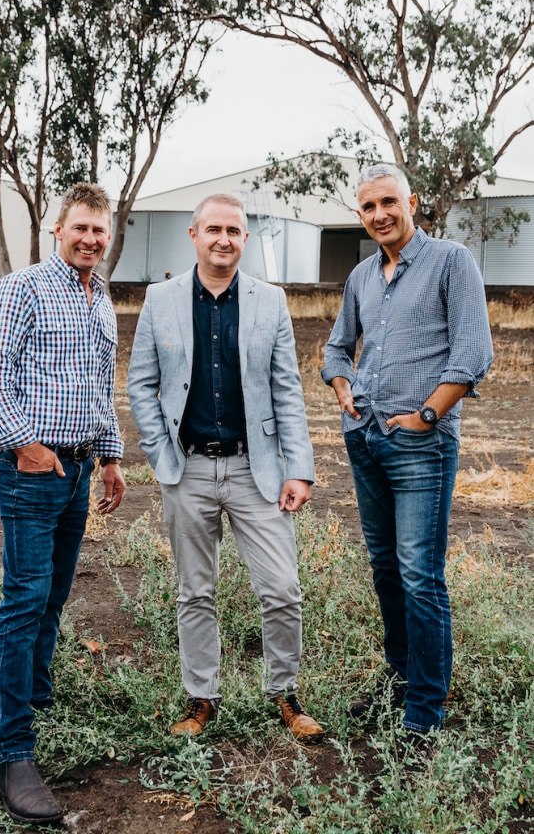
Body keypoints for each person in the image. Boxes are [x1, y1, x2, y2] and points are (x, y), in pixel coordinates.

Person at [127, 193, 323, 743]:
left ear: (244, 238)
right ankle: (200, 698)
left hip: (256, 468)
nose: (223, 239)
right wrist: (158, 450)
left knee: (283, 589)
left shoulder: (271, 301)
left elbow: (287, 390)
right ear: (193, 235)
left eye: (234, 231)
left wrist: (298, 468)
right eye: (213, 229)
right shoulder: (160, 299)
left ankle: (285, 695)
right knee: (195, 592)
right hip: (185, 468)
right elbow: (141, 384)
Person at [322, 163, 493, 754]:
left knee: (421, 575)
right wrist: (345, 393)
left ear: (412, 202)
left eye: (389, 203)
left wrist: (424, 416)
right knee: (387, 569)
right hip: (366, 437)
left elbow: (473, 355)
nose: (379, 216)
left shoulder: (451, 261)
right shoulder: (362, 276)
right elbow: (338, 346)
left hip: (422, 441)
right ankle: (399, 682)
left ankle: (425, 705)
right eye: (369, 208)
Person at [0, 182, 126, 823]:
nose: (90, 239)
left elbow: (98, 385)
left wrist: (111, 455)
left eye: (99, 230)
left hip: (79, 468)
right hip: (32, 470)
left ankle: (33, 691)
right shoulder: (24, 288)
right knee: (25, 598)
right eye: (80, 228)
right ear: (57, 230)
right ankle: (12, 751)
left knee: (56, 593)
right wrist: (25, 446)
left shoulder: (101, 297)